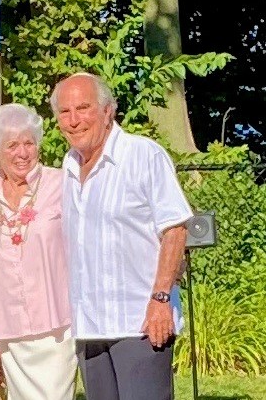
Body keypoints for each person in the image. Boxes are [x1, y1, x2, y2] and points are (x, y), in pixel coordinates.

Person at [52, 73, 192, 400]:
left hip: (139, 325)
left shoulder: (143, 155)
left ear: (107, 111)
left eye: (83, 108)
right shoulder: (68, 166)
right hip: (90, 329)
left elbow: (175, 229)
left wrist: (160, 300)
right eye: (65, 112)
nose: (74, 120)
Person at [0, 103, 76, 400]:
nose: (22, 153)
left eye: (29, 143)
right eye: (12, 145)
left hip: (57, 328)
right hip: (8, 331)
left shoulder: (61, 184)